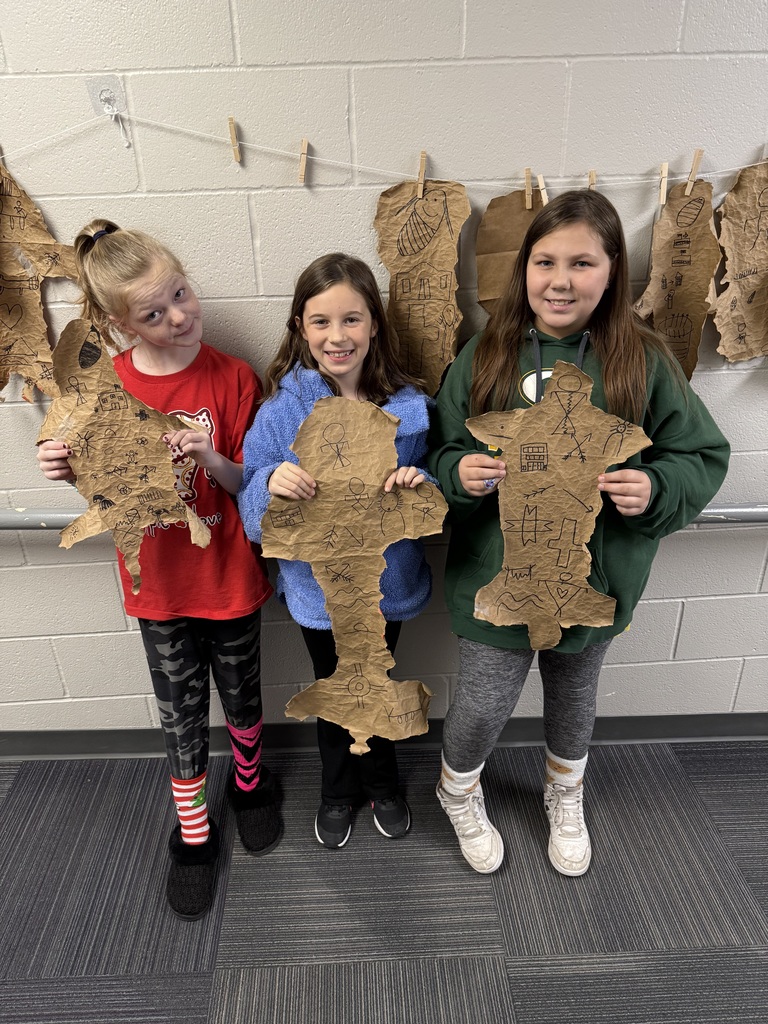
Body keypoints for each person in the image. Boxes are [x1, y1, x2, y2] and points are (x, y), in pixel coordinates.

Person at [428, 190, 730, 877]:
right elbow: (438, 450)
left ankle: (566, 789)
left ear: (613, 269)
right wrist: (458, 472)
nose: (561, 280)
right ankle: (457, 788)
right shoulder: (486, 355)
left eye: (582, 263)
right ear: (524, 268)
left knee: (574, 698)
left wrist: (654, 486)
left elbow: (698, 455)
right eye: (545, 261)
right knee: (481, 704)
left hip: (593, 573)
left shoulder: (642, 359)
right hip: (498, 573)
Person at [37, 221, 282, 919]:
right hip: (160, 589)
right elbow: (101, 488)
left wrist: (209, 455)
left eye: (180, 294)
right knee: (180, 718)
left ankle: (251, 785)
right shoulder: (104, 386)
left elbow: (247, 485)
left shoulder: (233, 377)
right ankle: (194, 836)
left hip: (228, 579)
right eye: (153, 312)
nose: (178, 316)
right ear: (120, 324)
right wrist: (65, 469)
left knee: (242, 698)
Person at [237, 253, 435, 849]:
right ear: (301, 327)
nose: (337, 336)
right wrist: (272, 479)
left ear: (374, 323)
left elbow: (432, 482)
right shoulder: (281, 410)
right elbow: (251, 488)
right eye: (321, 322)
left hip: (384, 583)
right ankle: (336, 790)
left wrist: (416, 485)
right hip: (318, 589)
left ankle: (384, 783)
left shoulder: (409, 408)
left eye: (352, 319)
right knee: (334, 685)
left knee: (376, 678)